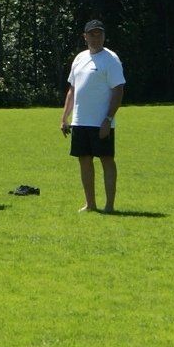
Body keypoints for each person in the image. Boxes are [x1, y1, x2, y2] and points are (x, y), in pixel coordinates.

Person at [60, 20, 127, 213]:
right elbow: (73, 90)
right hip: (80, 121)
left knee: (106, 160)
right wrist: (64, 118)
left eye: (99, 34)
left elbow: (118, 90)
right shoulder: (79, 58)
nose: (96, 38)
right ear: (85, 36)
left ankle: (109, 206)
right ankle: (90, 204)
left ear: (104, 36)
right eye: (92, 34)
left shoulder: (111, 59)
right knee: (84, 160)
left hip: (101, 122)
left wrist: (108, 119)